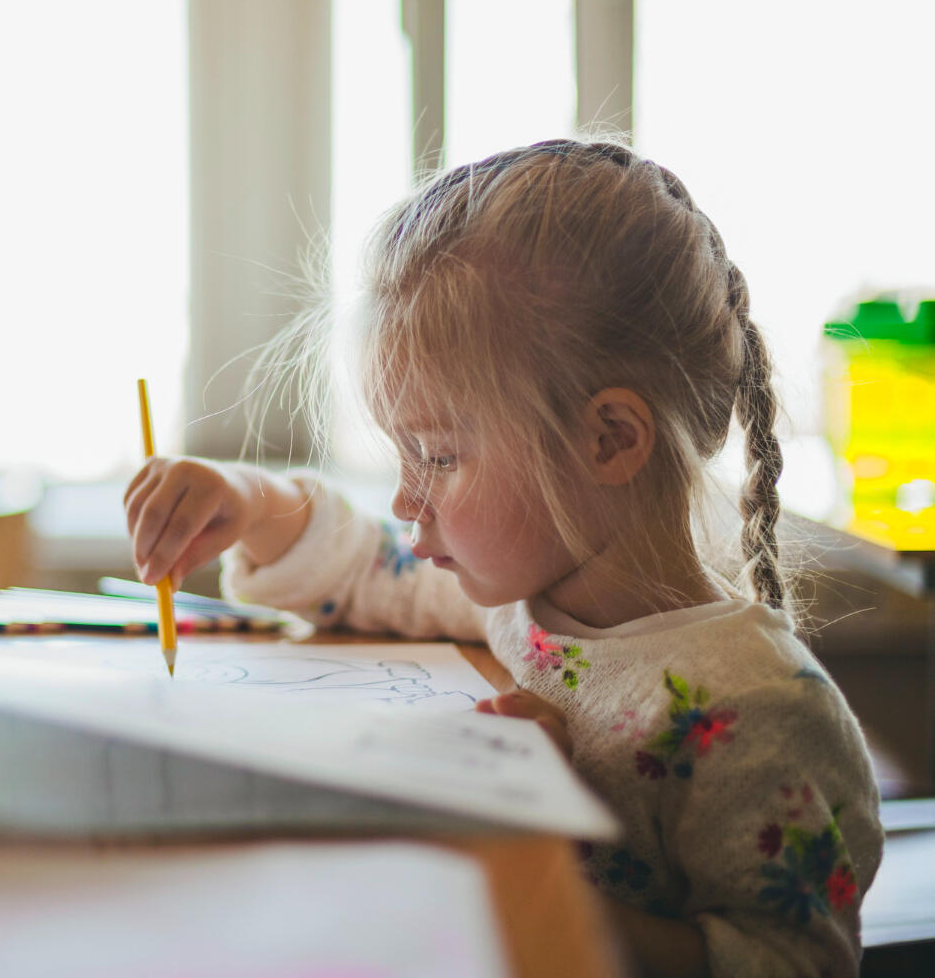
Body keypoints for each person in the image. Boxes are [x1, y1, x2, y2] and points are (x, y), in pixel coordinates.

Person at [124, 139, 883, 977]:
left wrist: (529, 842)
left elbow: (792, 963)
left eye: (440, 457)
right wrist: (245, 501)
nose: (409, 503)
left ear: (610, 440)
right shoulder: (520, 594)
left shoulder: (758, 712)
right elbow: (357, 570)